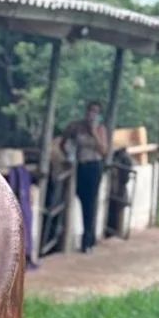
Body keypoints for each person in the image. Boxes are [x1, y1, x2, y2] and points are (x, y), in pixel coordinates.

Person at [62, 100, 109, 252]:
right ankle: (86, 236)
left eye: (96, 112)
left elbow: (104, 150)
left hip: (94, 166)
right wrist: (69, 155)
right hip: (80, 166)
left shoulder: (100, 129)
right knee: (81, 199)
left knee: (90, 202)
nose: (92, 115)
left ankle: (87, 240)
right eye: (90, 111)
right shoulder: (77, 127)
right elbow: (64, 142)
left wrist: (94, 132)